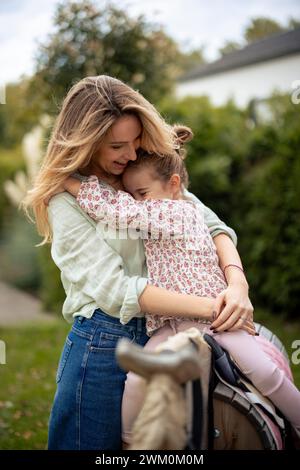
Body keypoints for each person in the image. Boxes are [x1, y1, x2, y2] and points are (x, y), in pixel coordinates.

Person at [23, 75, 254, 450]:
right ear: (87, 140)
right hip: (103, 347)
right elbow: (117, 291)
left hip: (164, 334)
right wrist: (216, 309)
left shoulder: (145, 172)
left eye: (135, 142)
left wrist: (238, 287)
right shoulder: (65, 199)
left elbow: (212, 225)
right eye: (117, 145)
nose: (131, 154)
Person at [58, 142, 300, 446]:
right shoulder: (158, 205)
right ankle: (132, 443)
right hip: (170, 323)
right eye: (132, 195)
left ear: (173, 185)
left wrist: (67, 182)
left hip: (215, 317)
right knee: (137, 379)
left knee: (265, 373)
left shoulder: (176, 213)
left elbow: (116, 211)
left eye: (142, 194)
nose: (137, 202)